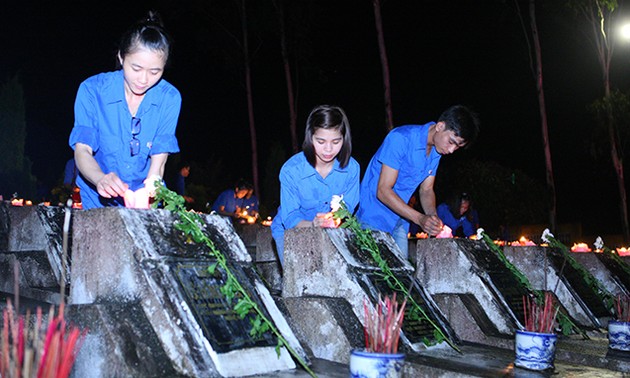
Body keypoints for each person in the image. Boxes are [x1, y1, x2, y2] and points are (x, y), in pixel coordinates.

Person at [68, 11, 181, 209]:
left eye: (155, 71)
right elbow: (82, 150)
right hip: (97, 195)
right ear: (121, 57)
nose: (144, 79)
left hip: (145, 199)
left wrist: (152, 185)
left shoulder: (169, 98)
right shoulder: (92, 90)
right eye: (136, 68)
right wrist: (100, 178)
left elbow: (160, 158)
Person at [356, 105, 480, 258]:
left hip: (400, 219)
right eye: (451, 142)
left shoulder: (436, 152)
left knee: (401, 277)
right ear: (440, 126)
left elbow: (427, 190)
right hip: (374, 217)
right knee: (373, 273)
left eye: (457, 146)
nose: (451, 150)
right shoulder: (400, 138)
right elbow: (383, 191)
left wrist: (433, 219)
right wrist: (420, 219)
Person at [271, 105, 360, 265]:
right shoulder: (291, 170)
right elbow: (290, 216)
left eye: (336, 141)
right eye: (321, 141)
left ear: (344, 139)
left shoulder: (351, 169)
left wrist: (333, 220)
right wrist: (313, 224)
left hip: (331, 233)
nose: (328, 149)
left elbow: (348, 209)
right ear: (310, 137)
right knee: (299, 284)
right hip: (291, 231)